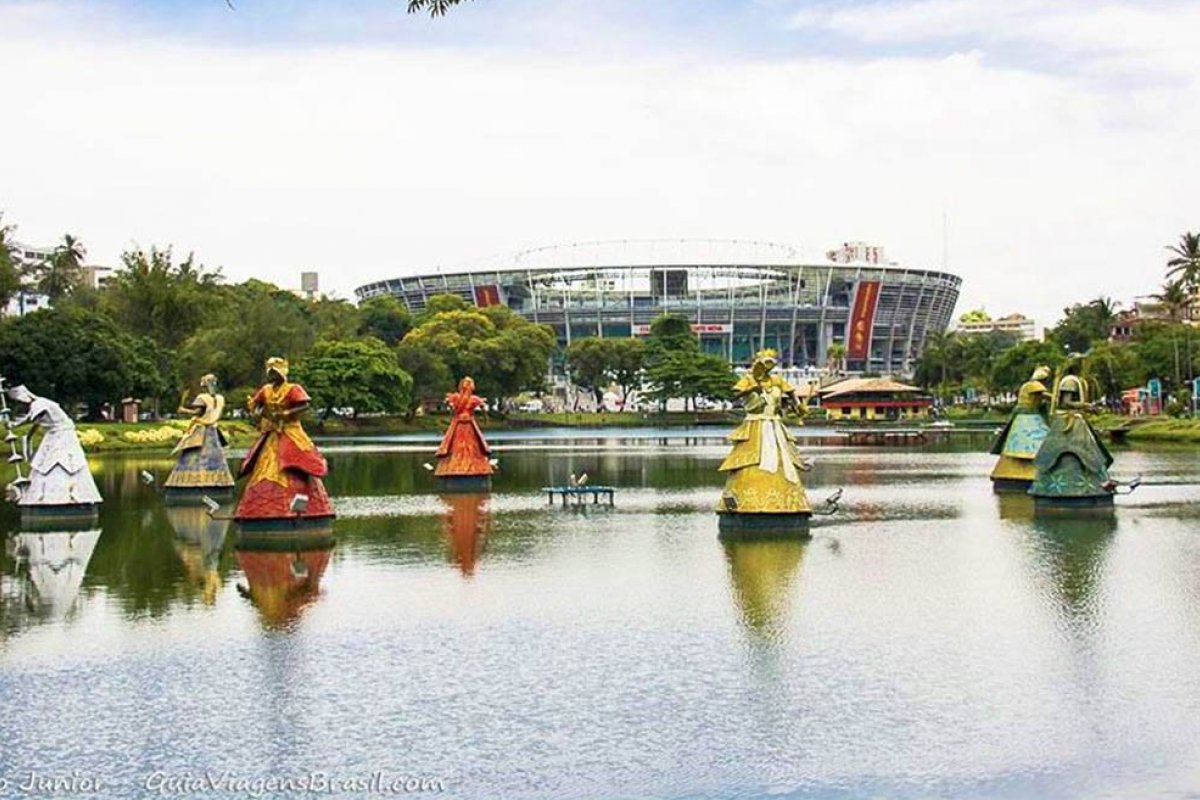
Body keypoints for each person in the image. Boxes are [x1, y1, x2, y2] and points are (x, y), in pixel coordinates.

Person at [234, 357, 334, 521]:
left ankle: (305, 508)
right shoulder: (266, 390)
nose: (272, 377)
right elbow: (256, 404)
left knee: (297, 458)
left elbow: (304, 404)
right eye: (270, 373)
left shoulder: (292, 388)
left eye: (275, 373)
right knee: (265, 465)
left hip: (290, 430)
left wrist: (287, 413)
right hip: (272, 433)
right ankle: (260, 511)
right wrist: (258, 412)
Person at [717, 349, 811, 516]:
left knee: (783, 460)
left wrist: (798, 408)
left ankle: (789, 504)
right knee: (752, 461)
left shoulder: (777, 381)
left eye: (771, 364)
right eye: (764, 363)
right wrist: (752, 389)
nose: (768, 367)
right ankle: (746, 504)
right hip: (755, 424)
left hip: (774, 424)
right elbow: (736, 394)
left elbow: (791, 395)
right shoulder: (748, 379)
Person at [1029, 358, 1115, 504]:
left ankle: (1097, 484)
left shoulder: (1077, 380)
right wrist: (1086, 405)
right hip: (1069, 421)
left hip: (1077, 419)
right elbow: (1065, 402)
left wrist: (1089, 408)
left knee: (1092, 452)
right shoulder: (1069, 381)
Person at [5, 385, 102, 511]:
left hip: (63, 435)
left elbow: (33, 419)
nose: (22, 402)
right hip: (53, 434)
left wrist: (14, 425)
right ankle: (37, 497)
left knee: (64, 462)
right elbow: (34, 425)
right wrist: (20, 432)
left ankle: (68, 497)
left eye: (21, 399)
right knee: (44, 464)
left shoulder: (40, 403)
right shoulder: (38, 406)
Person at [164, 373, 235, 496]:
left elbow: (197, 412)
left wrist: (183, 410)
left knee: (195, 458)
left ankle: (189, 485)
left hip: (202, 431)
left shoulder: (202, 398)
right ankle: (220, 484)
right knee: (217, 458)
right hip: (213, 432)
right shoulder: (220, 398)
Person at [989, 365, 1052, 491]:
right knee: (1036, 443)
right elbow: (1044, 395)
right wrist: (1056, 396)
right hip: (1029, 417)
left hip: (1023, 417)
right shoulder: (1033, 385)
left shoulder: (1026, 386)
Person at [434, 377, 494, 479]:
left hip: (466, 425)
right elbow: (449, 405)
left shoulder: (469, 399)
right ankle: (456, 466)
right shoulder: (460, 398)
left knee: (469, 446)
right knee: (459, 446)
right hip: (461, 425)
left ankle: (465, 466)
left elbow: (449, 406)